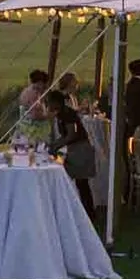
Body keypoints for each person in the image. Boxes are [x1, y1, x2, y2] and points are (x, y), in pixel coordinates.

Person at [44, 90, 98, 218]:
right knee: (80, 183)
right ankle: (86, 212)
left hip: (80, 149)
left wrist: (56, 145)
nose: (47, 104)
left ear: (55, 102)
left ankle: (88, 213)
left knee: (81, 182)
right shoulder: (62, 114)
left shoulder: (67, 114)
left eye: (49, 102)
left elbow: (71, 134)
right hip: (75, 149)